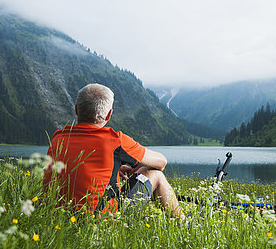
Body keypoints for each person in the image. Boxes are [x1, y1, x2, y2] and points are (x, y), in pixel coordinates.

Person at [43, 83, 185, 220]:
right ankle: (184, 223)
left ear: (76, 110)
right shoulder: (114, 140)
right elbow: (161, 162)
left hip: (57, 218)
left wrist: (115, 168)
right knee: (156, 174)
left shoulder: (57, 138)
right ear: (108, 115)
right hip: (103, 221)